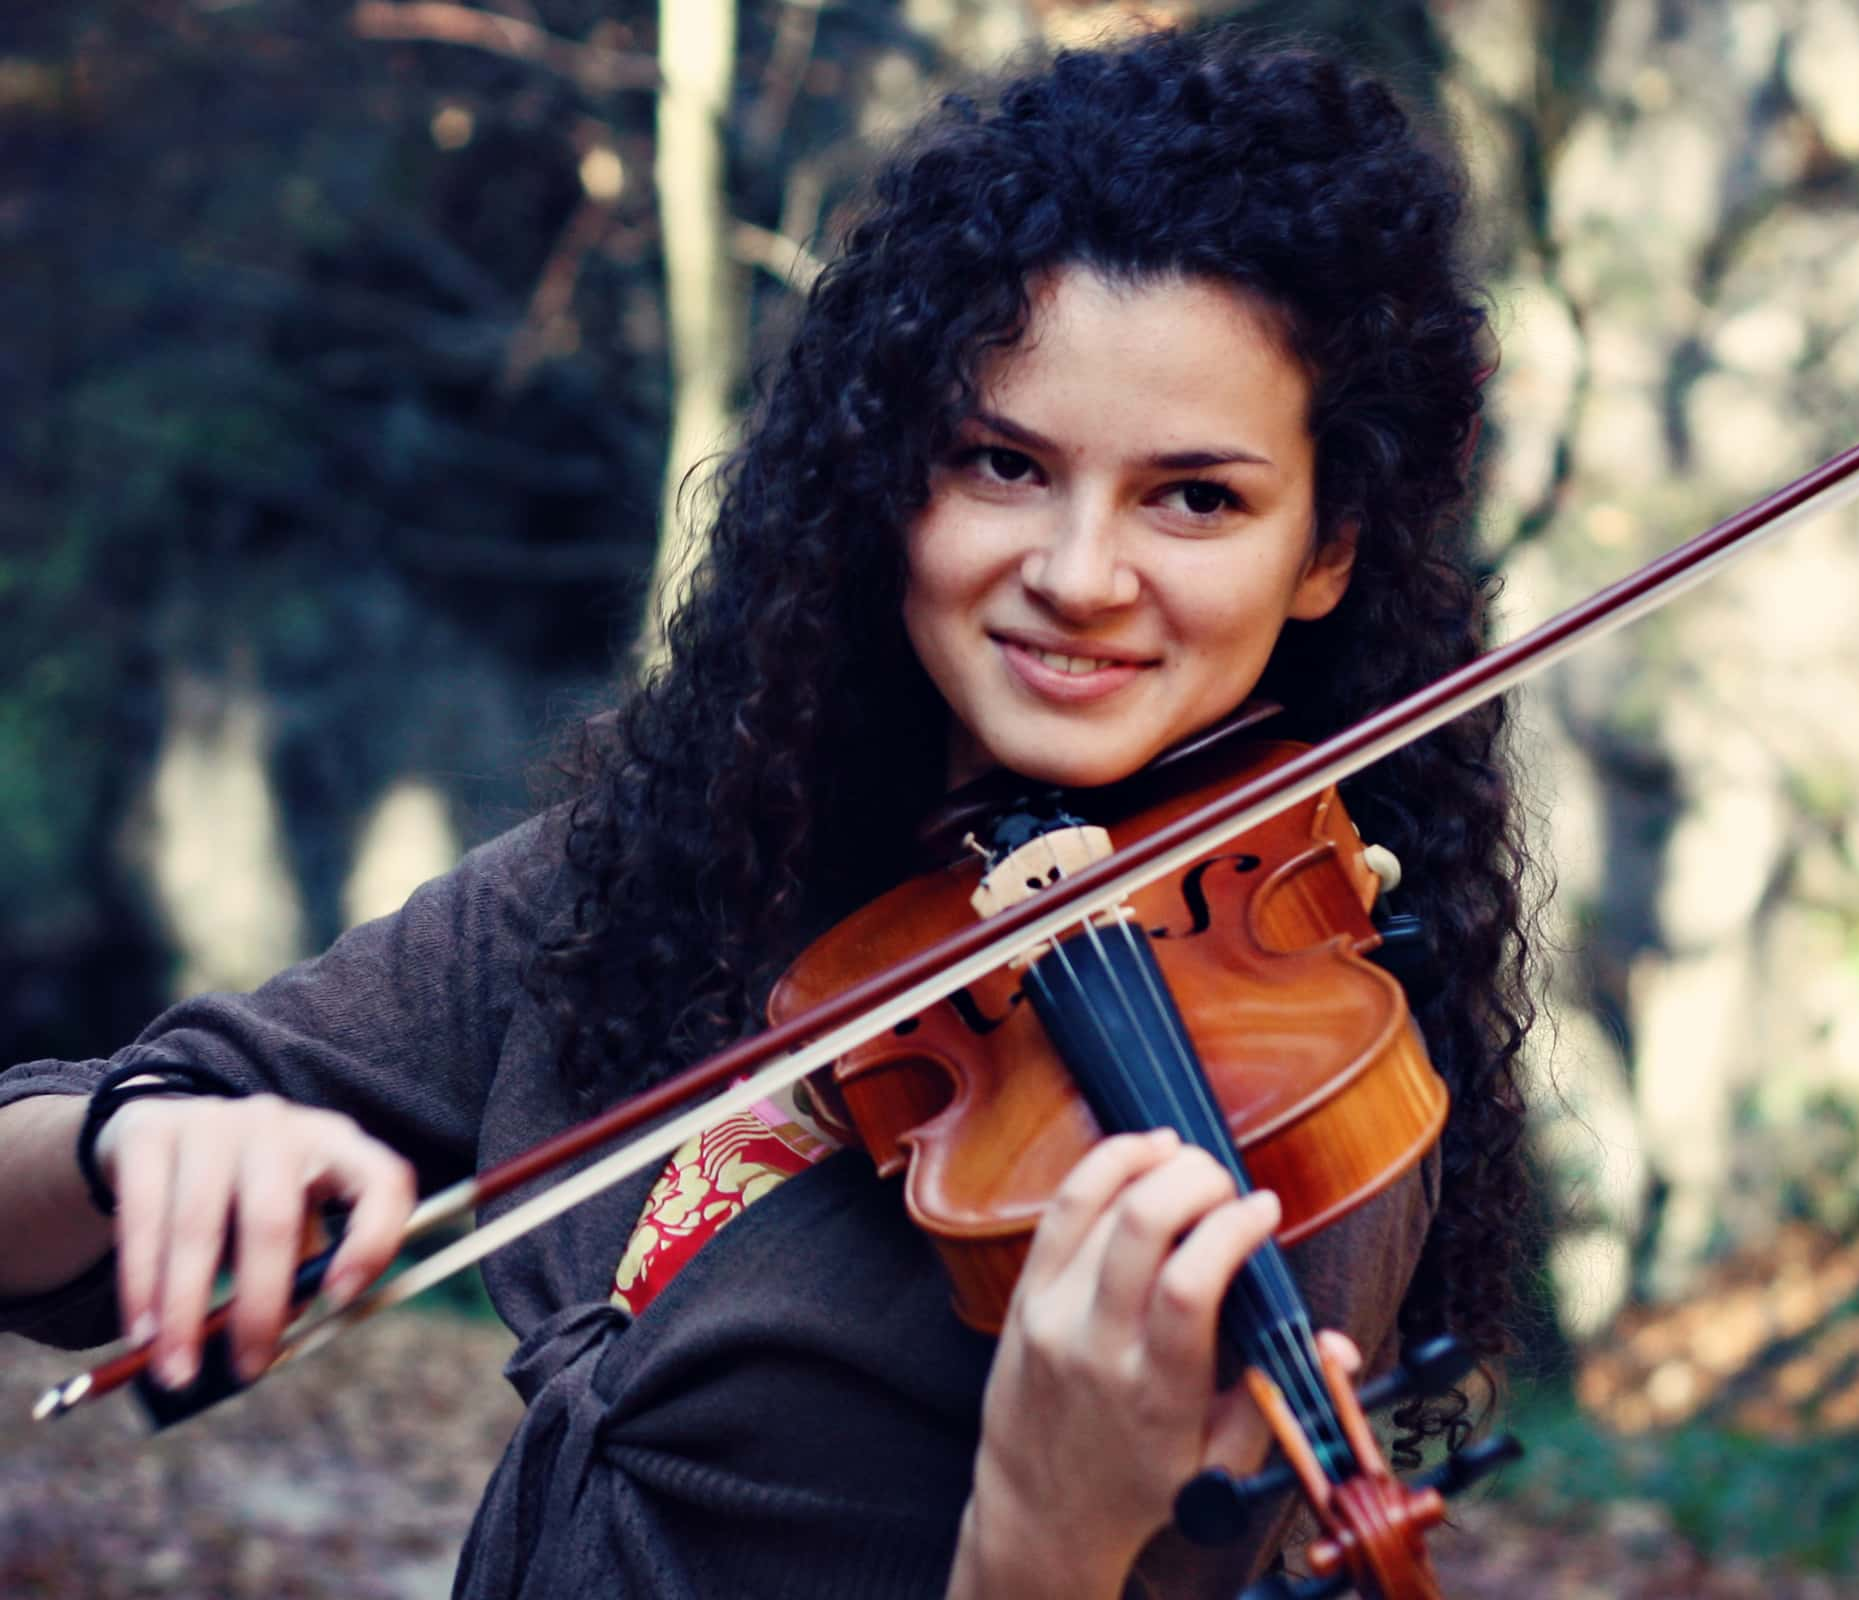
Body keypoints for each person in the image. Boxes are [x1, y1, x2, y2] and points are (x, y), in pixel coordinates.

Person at [0, 28, 1534, 1599]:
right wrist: (136, 1138)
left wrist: (1046, 1544)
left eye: (1195, 497)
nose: (1080, 576)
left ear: (1329, 546)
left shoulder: (1287, 1113)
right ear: (892, 475)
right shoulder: (703, 842)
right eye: (1003, 463)